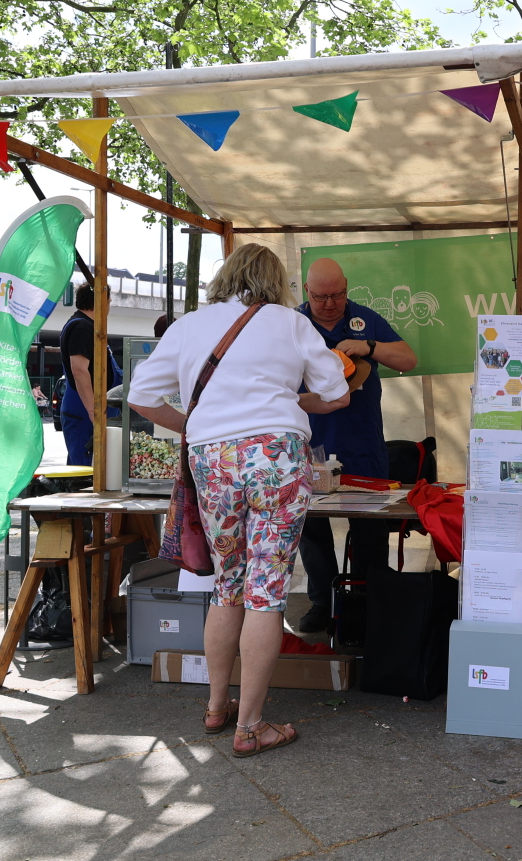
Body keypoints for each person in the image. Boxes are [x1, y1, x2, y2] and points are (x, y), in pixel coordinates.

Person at [127, 243, 351, 757]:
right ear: (279, 282)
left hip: (212, 459)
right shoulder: (289, 323)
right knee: (266, 592)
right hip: (276, 456)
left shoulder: (187, 326)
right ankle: (250, 727)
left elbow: (139, 396)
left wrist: (199, 425)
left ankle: (214, 707)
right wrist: (283, 399)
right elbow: (337, 393)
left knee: (228, 586)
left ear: (226, 276)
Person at [293, 257, 418, 633]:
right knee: (311, 530)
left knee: (369, 529)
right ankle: (323, 602)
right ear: (306, 292)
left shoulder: (365, 319)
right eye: (321, 297)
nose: (330, 303)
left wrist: (369, 346)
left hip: (361, 443)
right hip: (309, 445)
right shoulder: (291, 324)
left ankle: (367, 603)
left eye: (338, 294)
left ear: (347, 287)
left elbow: (408, 359)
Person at [59, 283, 122, 467]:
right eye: (109, 301)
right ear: (101, 302)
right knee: (84, 469)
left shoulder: (86, 326)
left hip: (87, 409)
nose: (109, 307)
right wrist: (92, 410)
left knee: (91, 467)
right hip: (84, 410)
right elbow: (79, 370)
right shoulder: (81, 327)